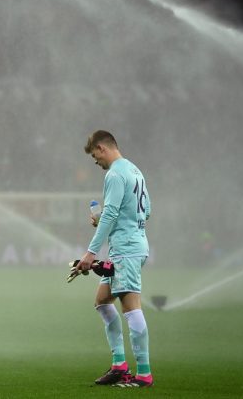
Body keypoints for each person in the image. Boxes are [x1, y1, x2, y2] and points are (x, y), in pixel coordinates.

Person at [77, 130, 153, 388]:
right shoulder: (135, 171)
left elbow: (110, 215)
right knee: (102, 301)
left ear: (101, 148)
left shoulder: (114, 174)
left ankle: (143, 374)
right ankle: (120, 365)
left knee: (131, 308)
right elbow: (147, 210)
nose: (96, 162)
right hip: (133, 245)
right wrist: (111, 221)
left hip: (127, 250)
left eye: (94, 156)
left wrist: (90, 253)